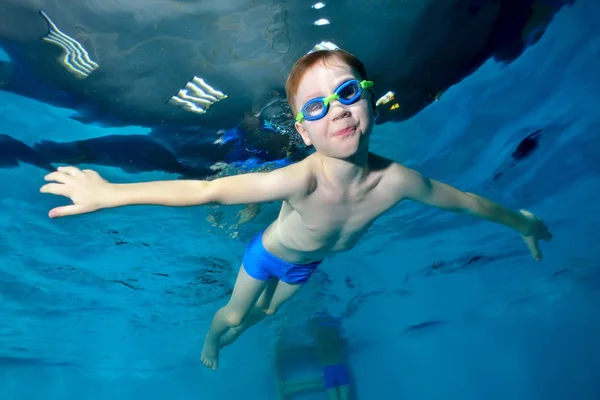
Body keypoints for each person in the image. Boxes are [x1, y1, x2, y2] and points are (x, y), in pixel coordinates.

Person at [40, 49, 552, 370]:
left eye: (348, 92)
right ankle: (214, 339)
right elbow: (207, 193)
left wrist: (522, 221)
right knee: (238, 313)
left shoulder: (398, 181)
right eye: (316, 107)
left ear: (370, 102)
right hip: (266, 254)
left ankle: (238, 329)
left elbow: (466, 202)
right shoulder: (301, 176)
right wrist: (112, 194)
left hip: (307, 263)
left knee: (265, 316)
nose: (338, 110)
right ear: (303, 132)